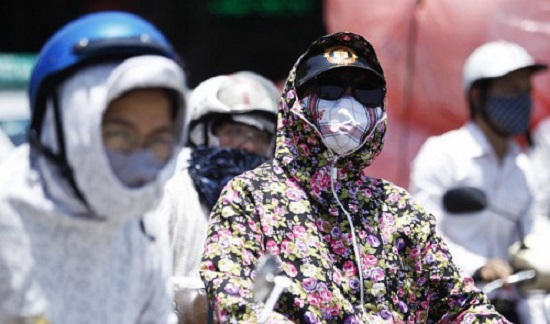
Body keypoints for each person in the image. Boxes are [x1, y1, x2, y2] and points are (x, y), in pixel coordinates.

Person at [199, 31, 507, 323]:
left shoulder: (399, 209)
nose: (349, 104)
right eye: (329, 90)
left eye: (366, 93)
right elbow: (234, 299)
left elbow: (460, 305)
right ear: (295, 101)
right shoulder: (249, 197)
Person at [0, 11, 187, 323]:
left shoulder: (141, 222)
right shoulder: (7, 215)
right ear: (62, 128)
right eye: (118, 135)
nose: (141, 160)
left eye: (158, 139)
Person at [409, 40, 548, 323]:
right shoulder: (443, 153)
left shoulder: (524, 167)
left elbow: (535, 234)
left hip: (509, 309)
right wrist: (479, 266)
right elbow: (420, 237)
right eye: (510, 90)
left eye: (526, 91)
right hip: (452, 305)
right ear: (477, 96)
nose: (521, 100)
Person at [158, 71, 278, 322]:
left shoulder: (276, 215)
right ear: (201, 133)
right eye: (234, 130)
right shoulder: (169, 193)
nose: (247, 146)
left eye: (258, 136)